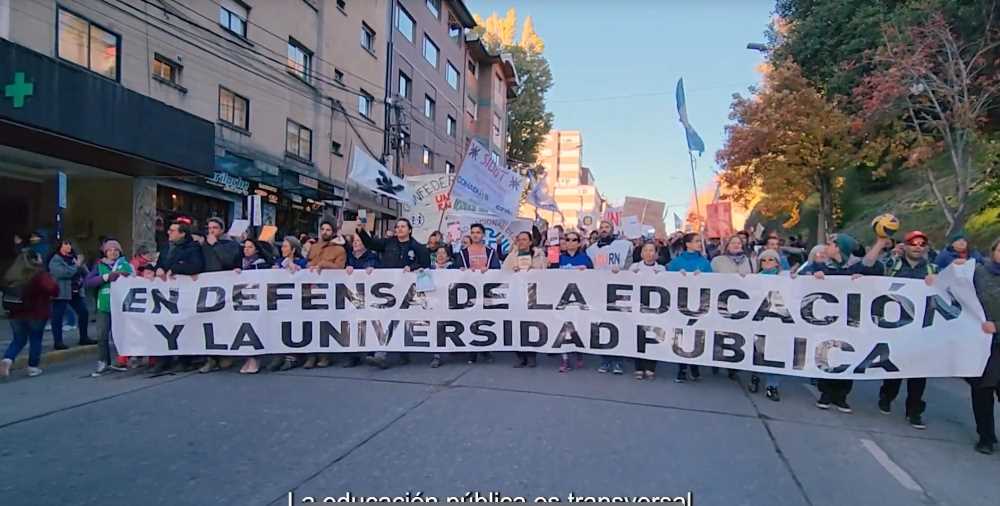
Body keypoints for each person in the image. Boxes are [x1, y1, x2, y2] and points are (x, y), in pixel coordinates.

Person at [870, 231, 937, 429]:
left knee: (918, 371)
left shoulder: (933, 269)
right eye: (913, 243)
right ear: (905, 246)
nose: (917, 247)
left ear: (925, 248)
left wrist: (939, 282)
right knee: (894, 366)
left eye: (921, 244)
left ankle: (914, 410)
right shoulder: (893, 265)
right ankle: (887, 395)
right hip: (895, 326)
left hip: (922, 328)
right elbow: (874, 275)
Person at [810, 233, 883, 412]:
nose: (826, 246)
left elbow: (871, 264)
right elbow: (801, 279)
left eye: (830, 244)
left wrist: (880, 243)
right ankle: (825, 393)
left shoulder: (856, 267)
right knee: (827, 351)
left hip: (852, 319)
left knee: (848, 352)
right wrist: (814, 276)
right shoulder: (821, 266)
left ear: (838, 248)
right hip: (829, 319)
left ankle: (841, 395)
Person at [358, 218, 430, 369]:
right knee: (386, 318)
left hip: (408, 291)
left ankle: (392, 352)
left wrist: (413, 267)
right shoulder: (388, 243)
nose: (399, 229)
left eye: (403, 226)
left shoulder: (418, 247)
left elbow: (426, 265)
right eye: (397, 227)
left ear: (410, 230)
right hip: (388, 289)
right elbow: (371, 244)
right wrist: (361, 231)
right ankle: (381, 353)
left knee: (399, 320)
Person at [958, 237, 1000, 454]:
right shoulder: (978, 272)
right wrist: (935, 279)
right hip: (981, 344)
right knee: (982, 392)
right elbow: (955, 287)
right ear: (993, 251)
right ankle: (986, 437)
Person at [149, 221, 205, 374]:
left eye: (173, 230)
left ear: (182, 233)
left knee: (183, 325)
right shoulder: (166, 247)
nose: (169, 233)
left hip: (184, 293)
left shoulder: (192, 248)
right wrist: (158, 268)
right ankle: (164, 359)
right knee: (165, 324)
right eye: (169, 230)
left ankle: (184, 359)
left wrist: (175, 269)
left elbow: (196, 266)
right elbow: (159, 264)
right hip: (166, 295)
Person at [0, 250, 58, 378]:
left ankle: (7, 360)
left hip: (15, 313)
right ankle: (32, 367)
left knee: (18, 339)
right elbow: (53, 290)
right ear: (35, 260)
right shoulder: (39, 274)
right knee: (35, 339)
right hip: (36, 312)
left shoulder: (12, 274)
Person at [586, 221, 633, 374]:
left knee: (619, 325)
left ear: (612, 230)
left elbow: (630, 266)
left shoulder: (623, 245)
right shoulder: (592, 249)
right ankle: (605, 360)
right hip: (600, 292)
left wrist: (622, 270)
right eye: (601, 227)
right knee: (603, 326)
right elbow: (593, 268)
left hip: (619, 292)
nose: (604, 230)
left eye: (607, 227)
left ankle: (618, 361)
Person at [198, 218, 243, 374]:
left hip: (226, 291)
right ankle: (211, 358)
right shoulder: (204, 246)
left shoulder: (231, 245)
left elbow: (228, 260)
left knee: (224, 323)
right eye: (209, 228)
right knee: (208, 323)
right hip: (207, 290)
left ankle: (226, 354)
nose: (211, 231)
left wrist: (215, 245)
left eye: (215, 228)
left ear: (222, 230)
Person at [83, 239, 133, 377]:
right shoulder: (99, 266)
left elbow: (132, 279)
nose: (113, 253)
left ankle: (121, 360)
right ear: (105, 252)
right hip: (104, 305)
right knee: (102, 335)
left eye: (115, 250)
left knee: (121, 334)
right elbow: (88, 282)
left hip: (121, 306)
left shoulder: (124, 265)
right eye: (110, 250)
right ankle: (103, 361)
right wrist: (105, 277)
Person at [668, 232, 712, 383]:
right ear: (688, 244)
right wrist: (675, 275)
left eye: (700, 241)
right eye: (696, 241)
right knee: (682, 334)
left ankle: (694, 366)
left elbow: (714, 283)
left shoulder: (705, 262)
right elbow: (665, 280)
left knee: (697, 334)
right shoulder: (676, 262)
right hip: (680, 304)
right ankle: (682, 368)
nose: (700, 244)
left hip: (699, 304)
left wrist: (705, 276)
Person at [457, 223, 502, 364]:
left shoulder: (490, 252)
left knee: (484, 320)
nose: (475, 234)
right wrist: (461, 269)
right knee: (470, 320)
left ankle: (485, 349)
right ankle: (472, 352)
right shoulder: (463, 253)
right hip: (469, 291)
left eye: (478, 232)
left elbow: (496, 269)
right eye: (473, 232)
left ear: (483, 235)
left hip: (485, 292)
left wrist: (488, 270)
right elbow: (456, 269)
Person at [504, 231, 547, 368]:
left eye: (524, 239)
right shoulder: (512, 256)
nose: (521, 242)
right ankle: (520, 356)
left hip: (533, 296)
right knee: (517, 325)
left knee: (531, 325)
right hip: (517, 295)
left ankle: (531, 355)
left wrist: (533, 270)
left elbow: (546, 272)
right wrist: (513, 270)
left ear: (530, 242)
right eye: (519, 239)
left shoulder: (539, 255)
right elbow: (503, 272)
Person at [747, 249, 784, 401]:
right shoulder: (755, 278)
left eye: (771, 260)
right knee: (758, 353)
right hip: (759, 320)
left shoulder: (785, 278)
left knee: (775, 354)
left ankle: (772, 385)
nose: (768, 263)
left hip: (778, 322)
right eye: (764, 260)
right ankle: (754, 378)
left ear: (777, 263)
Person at [269, 236, 309, 372]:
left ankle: (293, 356)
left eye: (285, 246)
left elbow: (304, 273)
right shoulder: (279, 261)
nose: (282, 249)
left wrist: (293, 266)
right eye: (282, 246)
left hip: (298, 301)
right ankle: (279, 354)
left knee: (294, 327)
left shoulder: (303, 262)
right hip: (281, 300)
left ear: (293, 249)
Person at [554, 231, 591, 373]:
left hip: (579, 300)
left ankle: (578, 353)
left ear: (579, 243)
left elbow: (597, 278)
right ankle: (565, 359)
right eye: (567, 239)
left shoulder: (585, 258)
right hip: (562, 300)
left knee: (577, 328)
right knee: (563, 329)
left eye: (574, 239)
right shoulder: (558, 258)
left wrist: (587, 272)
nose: (570, 242)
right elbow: (548, 276)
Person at [234, 239, 273, 374]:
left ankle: (255, 358)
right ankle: (248, 358)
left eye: (250, 247)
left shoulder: (261, 264)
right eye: (245, 247)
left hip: (257, 300)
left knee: (256, 328)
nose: (246, 249)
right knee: (245, 327)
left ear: (256, 249)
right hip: (244, 301)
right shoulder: (241, 263)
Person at [48, 239, 94, 350]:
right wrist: (77, 266)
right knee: (57, 316)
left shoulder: (73, 258)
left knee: (83, 312)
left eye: (70, 244)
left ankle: (84, 337)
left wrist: (83, 267)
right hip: (61, 292)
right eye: (66, 244)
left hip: (76, 291)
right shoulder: (55, 260)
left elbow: (86, 273)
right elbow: (63, 273)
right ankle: (58, 342)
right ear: (60, 246)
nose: (69, 246)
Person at [629, 241, 665, 379]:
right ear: (641, 253)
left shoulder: (662, 269)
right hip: (638, 307)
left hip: (655, 308)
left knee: (652, 336)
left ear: (656, 254)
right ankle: (638, 367)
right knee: (639, 336)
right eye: (646, 250)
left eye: (652, 251)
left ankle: (651, 367)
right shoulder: (634, 267)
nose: (649, 253)